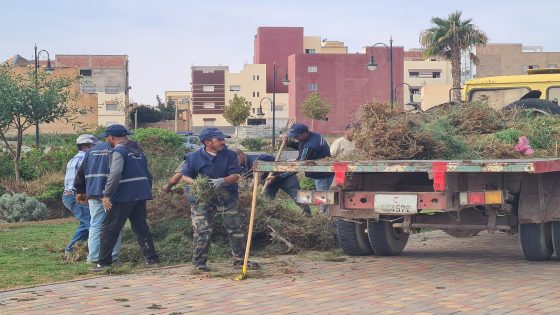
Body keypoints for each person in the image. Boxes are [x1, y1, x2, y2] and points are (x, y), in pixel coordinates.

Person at [182, 127, 258, 271]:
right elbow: (185, 176)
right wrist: (199, 184)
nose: (223, 142)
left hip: (227, 196)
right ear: (207, 142)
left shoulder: (230, 155)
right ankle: (199, 263)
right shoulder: (193, 157)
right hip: (202, 198)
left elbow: (236, 175)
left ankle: (240, 260)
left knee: (236, 228)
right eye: (220, 139)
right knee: (202, 230)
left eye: (223, 139)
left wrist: (221, 181)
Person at [91, 124, 159, 271]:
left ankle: (103, 263)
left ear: (111, 137)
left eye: (107, 137)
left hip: (123, 196)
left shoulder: (118, 151)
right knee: (141, 227)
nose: (107, 140)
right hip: (140, 195)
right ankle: (152, 259)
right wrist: (144, 190)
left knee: (109, 228)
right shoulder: (138, 151)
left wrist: (107, 194)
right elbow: (149, 175)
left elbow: (115, 174)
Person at [74, 135, 123, 264]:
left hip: (93, 193)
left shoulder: (90, 152)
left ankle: (93, 257)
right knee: (114, 225)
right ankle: (112, 257)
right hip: (111, 194)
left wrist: (80, 191)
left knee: (95, 225)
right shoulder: (116, 150)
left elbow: (80, 174)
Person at [235, 148, 312, 216]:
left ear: (241, 155)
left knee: (298, 197)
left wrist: (248, 191)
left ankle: (308, 215)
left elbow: (257, 178)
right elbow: (243, 178)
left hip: (284, 176)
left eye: (235, 158)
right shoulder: (241, 166)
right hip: (270, 182)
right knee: (266, 201)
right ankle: (270, 219)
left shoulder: (255, 160)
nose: (234, 161)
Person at [281, 123, 333, 214]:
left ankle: (325, 220)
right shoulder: (313, 135)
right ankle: (323, 214)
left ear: (304, 133)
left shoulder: (310, 145)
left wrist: (282, 176)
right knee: (323, 196)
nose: (295, 138)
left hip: (322, 174)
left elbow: (299, 164)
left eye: (296, 136)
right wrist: (289, 143)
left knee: (323, 199)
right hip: (321, 172)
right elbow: (301, 146)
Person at [61, 134, 97, 255]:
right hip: (78, 195)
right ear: (86, 147)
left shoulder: (73, 159)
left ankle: (71, 249)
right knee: (92, 223)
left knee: (86, 221)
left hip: (68, 195)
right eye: (93, 146)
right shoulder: (85, 158)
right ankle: (98, 251)